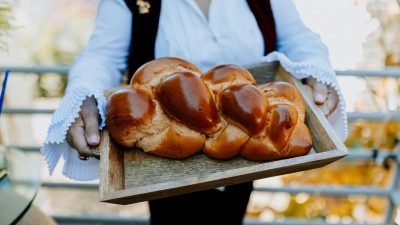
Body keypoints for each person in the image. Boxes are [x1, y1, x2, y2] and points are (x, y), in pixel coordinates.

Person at [41, 0, 348, 224]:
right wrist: (83, 94)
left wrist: (316, 69)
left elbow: (297, 37)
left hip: (247, 147)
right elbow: (101, 56)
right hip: (163, 172)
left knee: (231, 216)